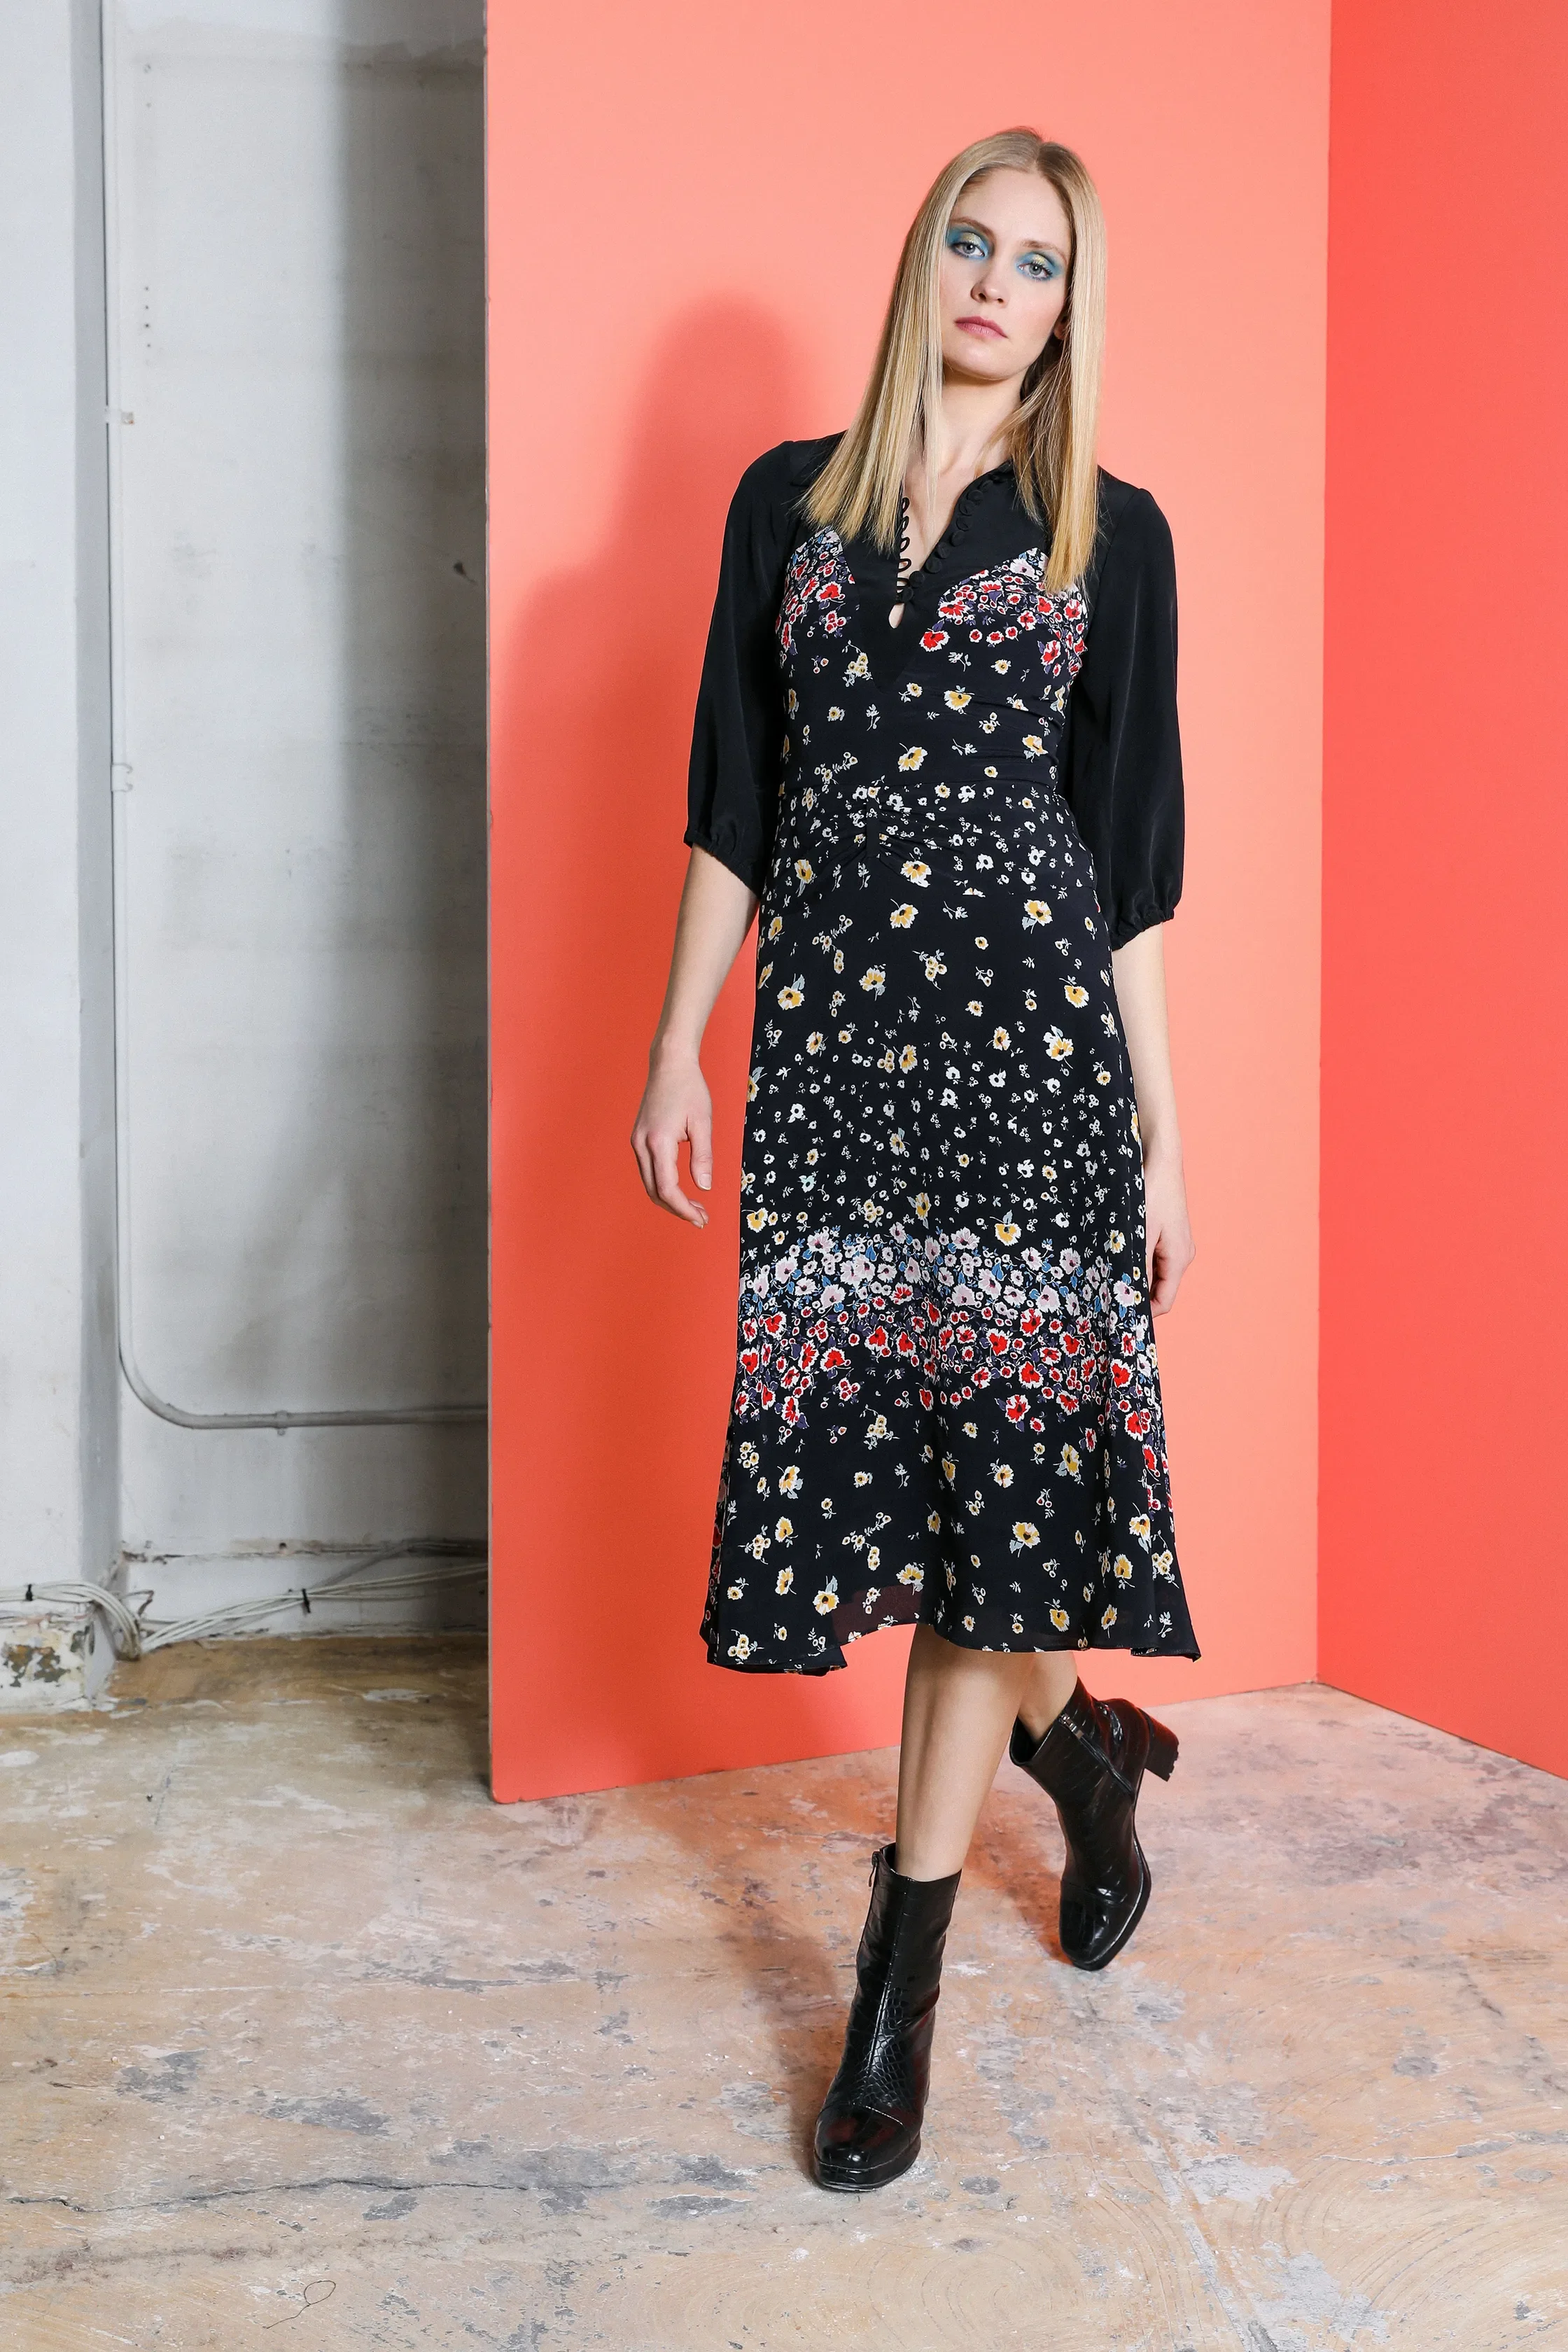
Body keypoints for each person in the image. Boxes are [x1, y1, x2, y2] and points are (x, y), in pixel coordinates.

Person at [631, 128, 1199, 2194]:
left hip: (1036, 1068)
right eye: (967, 240)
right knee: (927, 1497)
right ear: (920, 264)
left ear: (1068, 307)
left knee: (980, 1523)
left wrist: (1162, 1133)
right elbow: (735, 790)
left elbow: (1129, 865)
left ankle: (897, 1982)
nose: (990, 280)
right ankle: (1088, 1756)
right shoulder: (792, 503)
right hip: (837, 1074)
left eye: (1034, 261)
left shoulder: (1104, 535)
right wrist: (677, 1040)